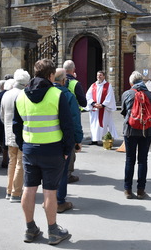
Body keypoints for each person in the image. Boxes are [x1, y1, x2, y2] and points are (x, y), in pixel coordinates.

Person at [13, 59, 74, 245]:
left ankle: (30, 229)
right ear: (50, 75)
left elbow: (17, 126)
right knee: (50, 191)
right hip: (52, 149)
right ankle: (53, 230)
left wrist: (23, 146)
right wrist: (66, 150)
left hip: (30, 148)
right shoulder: (57, 94)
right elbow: (67, 126)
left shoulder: (21, 95)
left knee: (29, 189)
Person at [121, 71, 151, 199]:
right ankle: (141, 190)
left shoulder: (127, 94)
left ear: (131, 83)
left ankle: (127, 190)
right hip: (147, 130)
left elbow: (124, 112)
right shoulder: (149, 94)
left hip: (131, 130)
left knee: (130, 159)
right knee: (142, 160)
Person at [53, 68, 83, 212]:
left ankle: (50, 199)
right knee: (63, 171)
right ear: (64, 80)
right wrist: (78, 139)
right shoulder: (68, 96)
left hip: (46, 138)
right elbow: (74, 120)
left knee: (50, 171)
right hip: (64, 139)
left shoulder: (44, 93)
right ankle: (59, 201)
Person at [0, 69, 30, 203]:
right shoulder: (23, 95)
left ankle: (9, 190)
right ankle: (16, 192)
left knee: (12, 162)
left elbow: (1, 115)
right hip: (20, 132)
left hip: (8, 132)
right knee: (20, 163)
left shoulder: (6, 94)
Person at [63, 60, 87, 183]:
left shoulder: (55, 82)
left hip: (57, 116)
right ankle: (68, 173)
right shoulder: (75, 83)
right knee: (71, 145)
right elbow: (83, 102)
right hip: (72, 115)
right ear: (73, 70)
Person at [85, 71, 118, 145]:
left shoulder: (108, 85)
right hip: (95, 109)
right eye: (97, 75)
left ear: (104, 76)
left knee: (104, 124)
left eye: (100, 75)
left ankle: (104, 139)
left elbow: (109, 96)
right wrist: (93, 103)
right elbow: (88, 95)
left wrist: (103, 105)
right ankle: (94, 139)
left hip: (104, 109)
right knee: (94, 124)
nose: (99, 77)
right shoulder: (93, 85)